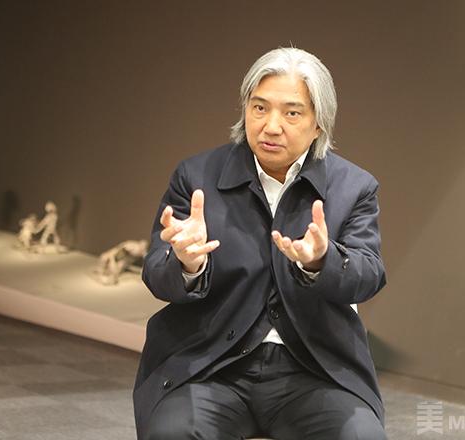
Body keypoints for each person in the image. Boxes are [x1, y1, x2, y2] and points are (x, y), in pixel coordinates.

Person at [134, 47, 388, 440]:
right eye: (259, 108)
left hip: (313, 372)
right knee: (172, 433)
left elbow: (368, 275)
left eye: (292, 113)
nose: (271, 126)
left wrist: (322, 260)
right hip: (212, 367)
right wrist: (186, 264)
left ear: (319, 124)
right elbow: (156, 272)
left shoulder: (354, 188)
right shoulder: (196, 176)